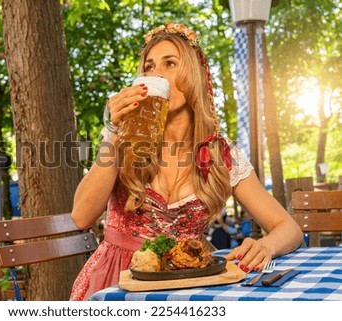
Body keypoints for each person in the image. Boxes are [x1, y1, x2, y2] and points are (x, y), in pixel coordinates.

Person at [69, 22, 302, 301]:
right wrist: (115, 134)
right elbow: (81, 217)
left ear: (195, 75)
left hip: (185, 286)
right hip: (115, 282)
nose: (157, 76)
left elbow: (289, 229)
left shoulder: (219, 153)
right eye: (149, 67)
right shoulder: (124, 136)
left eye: (170, 64)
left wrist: (266, 246)